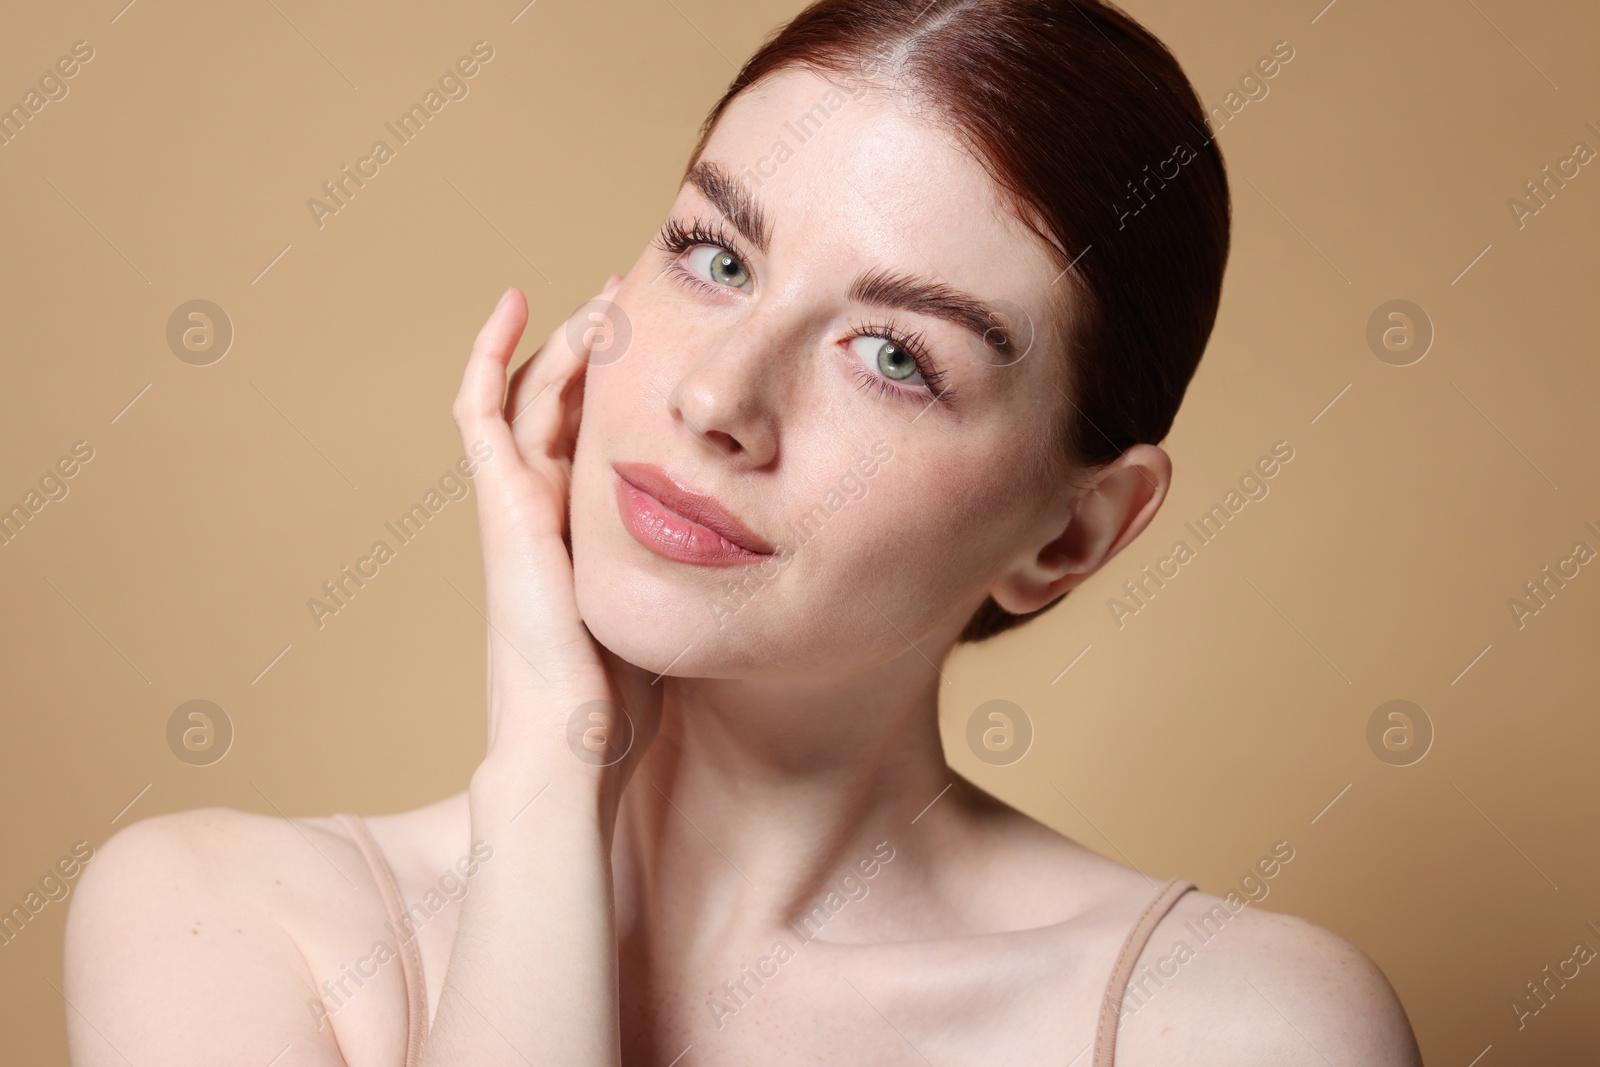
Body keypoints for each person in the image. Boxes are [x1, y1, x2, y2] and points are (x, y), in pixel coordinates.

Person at [64, 1, 1423, 1063]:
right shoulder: (223, 923)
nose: (715, 398)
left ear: (1071, 535)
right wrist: (547, 765)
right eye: (717, 258)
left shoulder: (1234, 1028)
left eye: (894, 355)